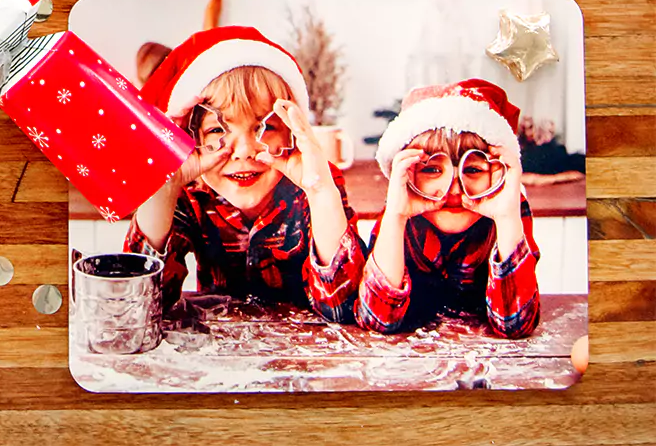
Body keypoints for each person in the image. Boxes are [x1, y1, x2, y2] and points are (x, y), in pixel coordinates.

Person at [123, 26, 364, 320]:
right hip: (216, 353)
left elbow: (343, 308)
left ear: (292, 133)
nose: (244, 151)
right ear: (191, 136)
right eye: (217, 129)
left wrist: (320, 192)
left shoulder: (319, 186)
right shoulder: (188, 195)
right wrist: (165, 185)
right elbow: (139, 307)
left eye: (266, 127)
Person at [357, 79, 541, 338]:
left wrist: (507, 218)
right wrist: (396, 218)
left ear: (497, 174)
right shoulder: (400, 211)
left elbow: (516, 326)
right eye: (432, 169)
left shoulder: (509, 212)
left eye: (473, 169)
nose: (453, 189)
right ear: (409, 175)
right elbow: (377, 320)